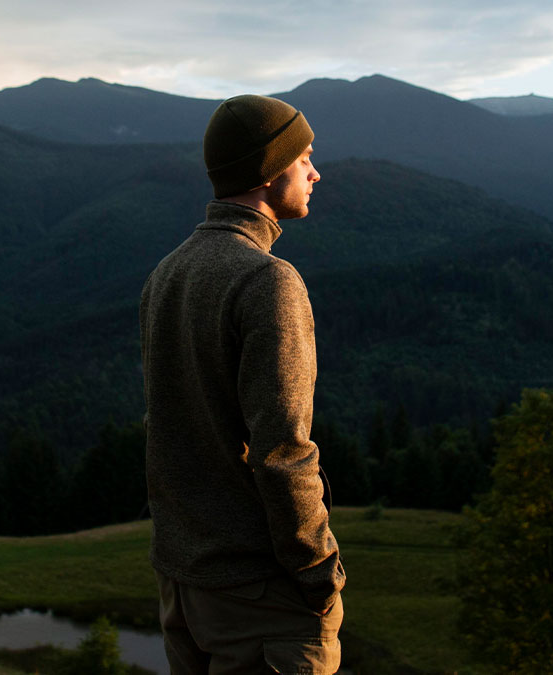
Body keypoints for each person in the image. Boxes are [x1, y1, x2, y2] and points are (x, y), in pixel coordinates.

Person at [139, 94, 345, 674]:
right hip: (259, 598)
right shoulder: (268, 282)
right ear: (268, 169)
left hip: (184, 586)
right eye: (304, 157)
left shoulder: (167, 273)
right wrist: (319, 573)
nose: (314, 172)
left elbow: (167, 427)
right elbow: (282, 450)